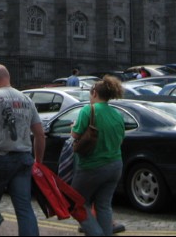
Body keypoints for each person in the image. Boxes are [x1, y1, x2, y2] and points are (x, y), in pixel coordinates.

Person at [0, 64, 45, 237]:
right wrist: (38, 163)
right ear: (8, 77)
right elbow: (40, 135)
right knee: (24, 209)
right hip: (23, 159)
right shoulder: (27, 100)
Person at [71, 76, 125, 236]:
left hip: (92, 165)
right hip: (115, 164)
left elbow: (75, 134)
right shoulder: (117, 114)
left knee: (76, 202)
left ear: (94, 93)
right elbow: (120, 139)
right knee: (103, 205)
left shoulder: (89, 110)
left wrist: (73, 127)